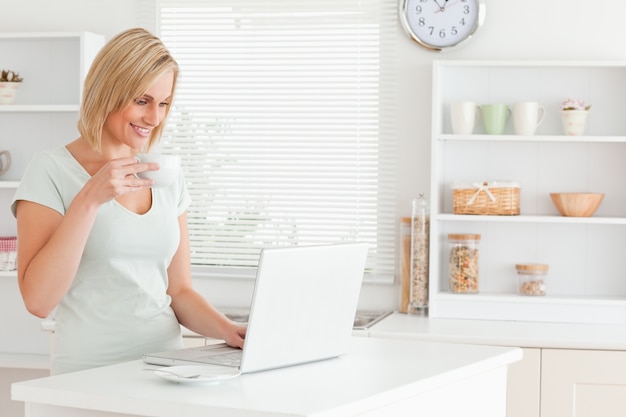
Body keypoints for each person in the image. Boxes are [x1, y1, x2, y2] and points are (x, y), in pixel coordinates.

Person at [11, 28, 246, 375]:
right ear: (107, 92)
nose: (154, 118)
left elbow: (179, 291)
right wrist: (90, 199)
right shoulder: (50, 171)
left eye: (163, 103)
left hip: (166, 372)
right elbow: (39, 301)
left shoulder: (166, 175)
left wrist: (231, 332)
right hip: (87, 376)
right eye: (142, 100)